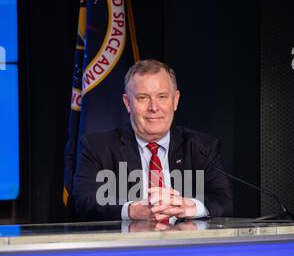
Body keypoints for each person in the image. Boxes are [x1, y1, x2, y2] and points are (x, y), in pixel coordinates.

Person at [73, 59, 233, 222]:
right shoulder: (97, 147)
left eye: (162, 96)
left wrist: (189, 207)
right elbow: (85, 202)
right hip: (126, 246)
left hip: (184, 245)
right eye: (143, 97)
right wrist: (132, 211)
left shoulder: (202, 147)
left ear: (175, 100)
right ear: (128, 103)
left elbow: (223, 201)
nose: (154, 107)